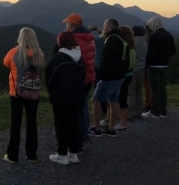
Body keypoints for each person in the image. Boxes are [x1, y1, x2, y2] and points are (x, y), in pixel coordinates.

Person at [2, 27, 45, 163]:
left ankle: (13, 156)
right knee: (32, 123)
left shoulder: (14, 52)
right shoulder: (39, 53)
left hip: (16, 94)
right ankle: (31, 155)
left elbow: (5, 63)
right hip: (33, 93)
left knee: (16, 124)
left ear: (21, 38)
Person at [45, 31, 86, 165]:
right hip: (77, 97)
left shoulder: (58, 59)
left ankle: (62, 155)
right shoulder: (80, 59)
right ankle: (73, 154)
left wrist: (51, 91)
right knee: (74, 124)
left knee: (61, 125)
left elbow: (50, 79)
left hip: (60, 98)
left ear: (60, 42)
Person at [61, 13, 95, 151]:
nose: (65, 26)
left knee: (76, 109)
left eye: (67, 24)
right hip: (89, 77)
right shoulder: (89, 38)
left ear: (72, 25)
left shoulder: (74, 40)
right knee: (83, 106)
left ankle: (77, 137)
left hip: (78, 78)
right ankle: (84, 133)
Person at [88, 18, 126, 138]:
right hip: (119, 75)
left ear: (110, 26)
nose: (103, 28)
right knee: (113, 101)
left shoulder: (111, 39)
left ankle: (97, 129)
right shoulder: (120, 37)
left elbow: (107, 59)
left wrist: (102, 75)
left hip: (109, 76)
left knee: (95, 100)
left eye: (104, 25)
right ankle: (111, 129)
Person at [142, 16, 176, 118]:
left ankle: (154, 111)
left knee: (154, 88)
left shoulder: (153, 36)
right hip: (164, 65)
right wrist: (166, 58)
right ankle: (163, 111)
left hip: (153, 66)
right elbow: (173, 50)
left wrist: (147, 63)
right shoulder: (168, 35)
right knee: (162, 88)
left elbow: (149, 52)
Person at [128, 26, 148, 119]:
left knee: (131, 92)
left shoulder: (133, 42)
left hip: (132, 69)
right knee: (139, 91)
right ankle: (138, 112)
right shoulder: (145, 42)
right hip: (142, 69)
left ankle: (130, 113)